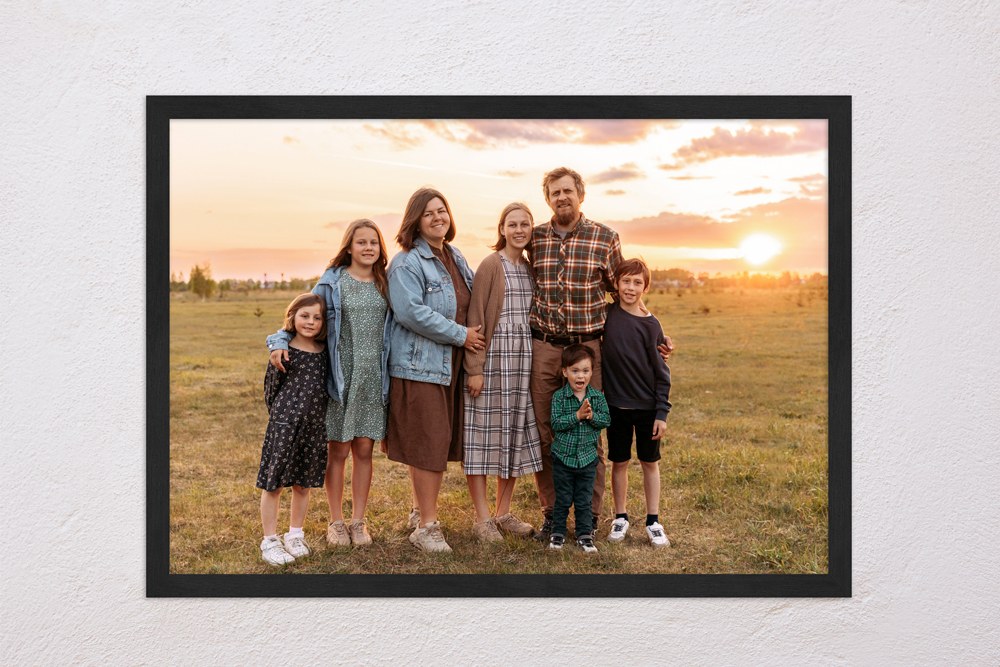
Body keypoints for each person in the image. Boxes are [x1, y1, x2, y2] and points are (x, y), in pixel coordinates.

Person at [528, 166, 673, 542]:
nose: (562, 197)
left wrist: (652, 330)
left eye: (568, 191)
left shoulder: (604, 237)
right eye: (554, 192)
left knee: (590, 429)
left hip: (590, 347)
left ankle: (590, 517)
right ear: (547, 199)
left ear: (581, 194)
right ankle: (552, 513)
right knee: (548, 430)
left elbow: (624, 293)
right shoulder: (536, 237)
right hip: (545, 345)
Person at [266, 220, 392, 548]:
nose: (368, 248)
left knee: (365, 450)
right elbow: (302, 315)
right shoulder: (332, 281)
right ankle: (336, 522)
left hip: (373, 378)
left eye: (374, 243)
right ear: (348, 247)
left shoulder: (386, 282)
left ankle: (358, 522)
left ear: (380, 249)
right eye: (361, 242)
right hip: (338, 377)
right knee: (337, 451)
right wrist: (278, 340)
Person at [385, 187, 485, 553]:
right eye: (428, 213)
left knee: (433, 441)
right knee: (428, 443)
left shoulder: (454, 255)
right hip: (420, 365)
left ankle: (418, 512)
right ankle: (427, 527)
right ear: (415, 220)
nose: (437, 217)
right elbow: (411, 313)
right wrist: (461, 335)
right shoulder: (406, 262)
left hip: (450, 365)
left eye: (442, 210)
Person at [462, 203, 542, 542]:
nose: (519, 229)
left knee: (513, 437)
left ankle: (502, 513)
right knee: (482, 438)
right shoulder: (491, 265)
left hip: (523, 362)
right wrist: (475, 369)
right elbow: (475, 318)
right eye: (513, 224)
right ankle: (482, 518)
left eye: (525, 224)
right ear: (502, 229)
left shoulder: (530, 268)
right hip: (493, 359)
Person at [601, 258, 673, 548]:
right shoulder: (607, 315)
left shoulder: (651, 324)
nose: (631, 287)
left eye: (637, 282)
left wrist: (661, 412)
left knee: (649, 462)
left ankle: (653, 521)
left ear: (645, 287)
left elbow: (661, 371)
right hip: (616, 406)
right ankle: (620, 517)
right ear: (616, 284)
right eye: (626, 281)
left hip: (646, 408)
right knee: (619, 462)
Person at [257, 293, 330, 566]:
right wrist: (281, 417)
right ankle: (270, 541)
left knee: (303, 483)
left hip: (314, 427)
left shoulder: (324, 352)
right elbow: (270, 388)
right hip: (284, 425)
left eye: (317, 317)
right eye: (305, 316)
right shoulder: (283, 350)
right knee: (273, 483)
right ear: (292, 317)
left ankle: (295, 535)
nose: (310, 322)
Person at [548, 344, 610, 553]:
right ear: (565, 372)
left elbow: (606, 420)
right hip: (563, 459)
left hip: (587, 459)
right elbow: (555, 423)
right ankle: (557, 533)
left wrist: (591, 416)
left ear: (592, 372)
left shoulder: (597, 397)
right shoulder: (559, 397)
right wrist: (577, 416)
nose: (580, 376)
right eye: (575, 371)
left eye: (585, 370)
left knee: (584, 500)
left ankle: (584, 535)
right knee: (563, 498)